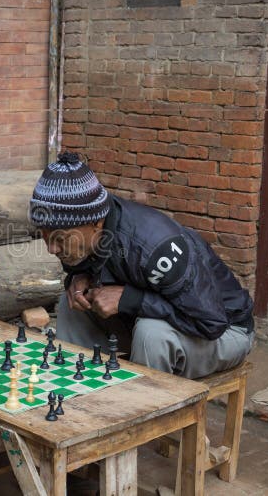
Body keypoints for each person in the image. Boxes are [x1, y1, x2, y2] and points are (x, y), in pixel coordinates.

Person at [30, 152, 255, 379]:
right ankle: (79, 392)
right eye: (45, 237)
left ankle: (146, 410)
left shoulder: (157, 247)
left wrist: (130, 300)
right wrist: (79, 277)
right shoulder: (93, 227)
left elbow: (211, 323)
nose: (52, 249)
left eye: (61, 239)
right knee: (72, 304)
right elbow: (95, 268)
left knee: (151, 334)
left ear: (96, 222)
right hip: (147, 324)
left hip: (225, 332)